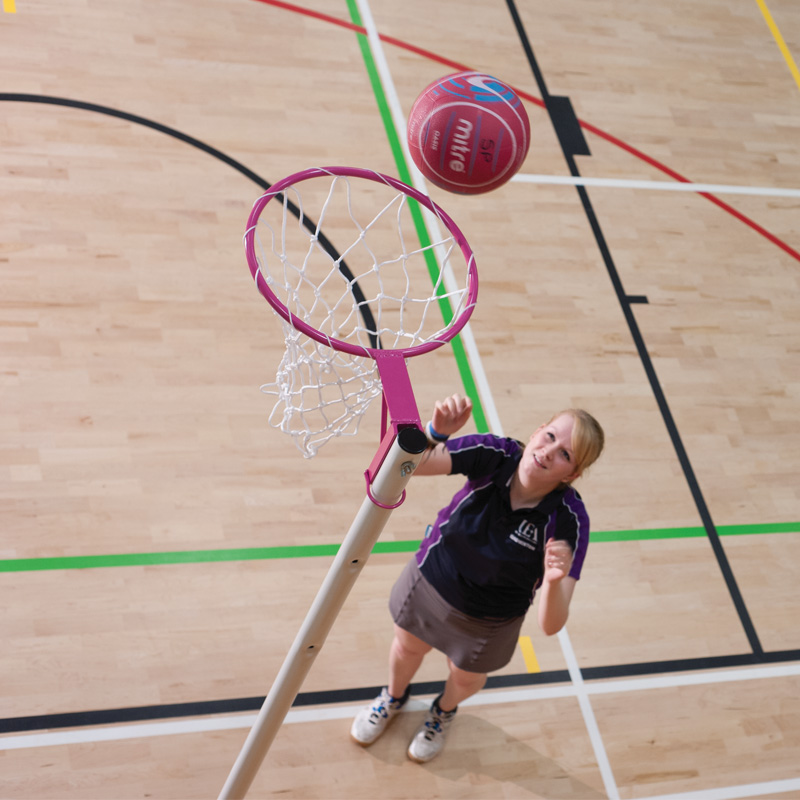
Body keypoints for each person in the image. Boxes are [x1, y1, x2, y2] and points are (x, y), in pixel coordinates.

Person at [350, 393, 605, 763]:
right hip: (432, 582)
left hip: (491, 621)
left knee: (466, 678)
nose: (550, 451)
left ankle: (443, 712)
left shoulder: (568, 520)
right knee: (406, 648)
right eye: (550, 436)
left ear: (573, 474)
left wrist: (552, 580)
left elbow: (551, 625)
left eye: (565, 454)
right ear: (537, 432)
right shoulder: (495, 454)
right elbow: (405, 467)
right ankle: (392, 696)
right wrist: (435, 433)